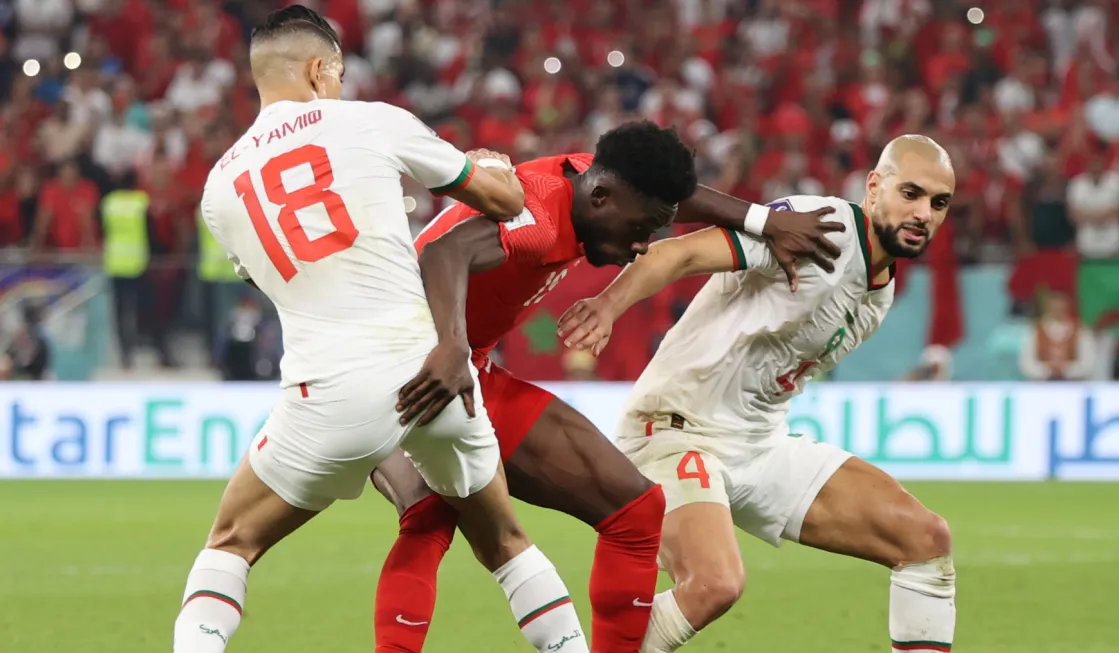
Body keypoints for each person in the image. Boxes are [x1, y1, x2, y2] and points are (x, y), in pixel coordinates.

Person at [176, 6, 588, 653]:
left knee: (232, 540)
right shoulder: (372, 121)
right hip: (433, 372)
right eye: (337, 72)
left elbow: (271, 278)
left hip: (330, 392)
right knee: (504, 540)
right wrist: (490, 167)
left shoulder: (218, 187)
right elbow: (507, 205)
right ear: (319, 69)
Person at [372, 123, 849, 653]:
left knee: (636, 509)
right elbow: (443, 251)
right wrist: (451, 348)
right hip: (403, 363)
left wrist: (766, 221)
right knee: (429, 515)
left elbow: (676, 197)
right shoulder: (539, 216)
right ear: (601, 198)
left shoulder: (595, 180)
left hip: (462, 364)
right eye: (641, 228)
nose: (644, 245)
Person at [556, 135, 959, 653]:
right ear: (874, 187)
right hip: (676, 429)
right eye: (911, 193)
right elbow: (679, 253)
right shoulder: (821, 226)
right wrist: (608, 305)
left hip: (760, 444)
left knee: (925, 539)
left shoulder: (881, 291)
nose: (924, 213)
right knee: (714, 584)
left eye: (939, 203)